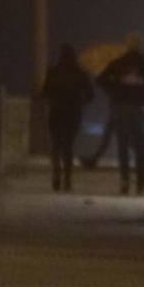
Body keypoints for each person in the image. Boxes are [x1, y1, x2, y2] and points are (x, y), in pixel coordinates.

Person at [95, 33, 144, 194]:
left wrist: (115, 87)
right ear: (141, 45)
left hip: (122, 107)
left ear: (126, 45)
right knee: (141, 145)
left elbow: (100, 80)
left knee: (122, 145)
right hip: (140, 107)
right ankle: (140, 182)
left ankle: (124, 180)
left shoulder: (118, 63)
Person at [41, 44, 94, 192]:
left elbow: (45, 92)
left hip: (56, 112)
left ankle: (56, 173)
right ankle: (67, 179)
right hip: (73, 113)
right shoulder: (81, 74)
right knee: (68, 145)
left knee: (56, 145)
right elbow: (90, 95)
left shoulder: (53, 72)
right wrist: (81, 102)